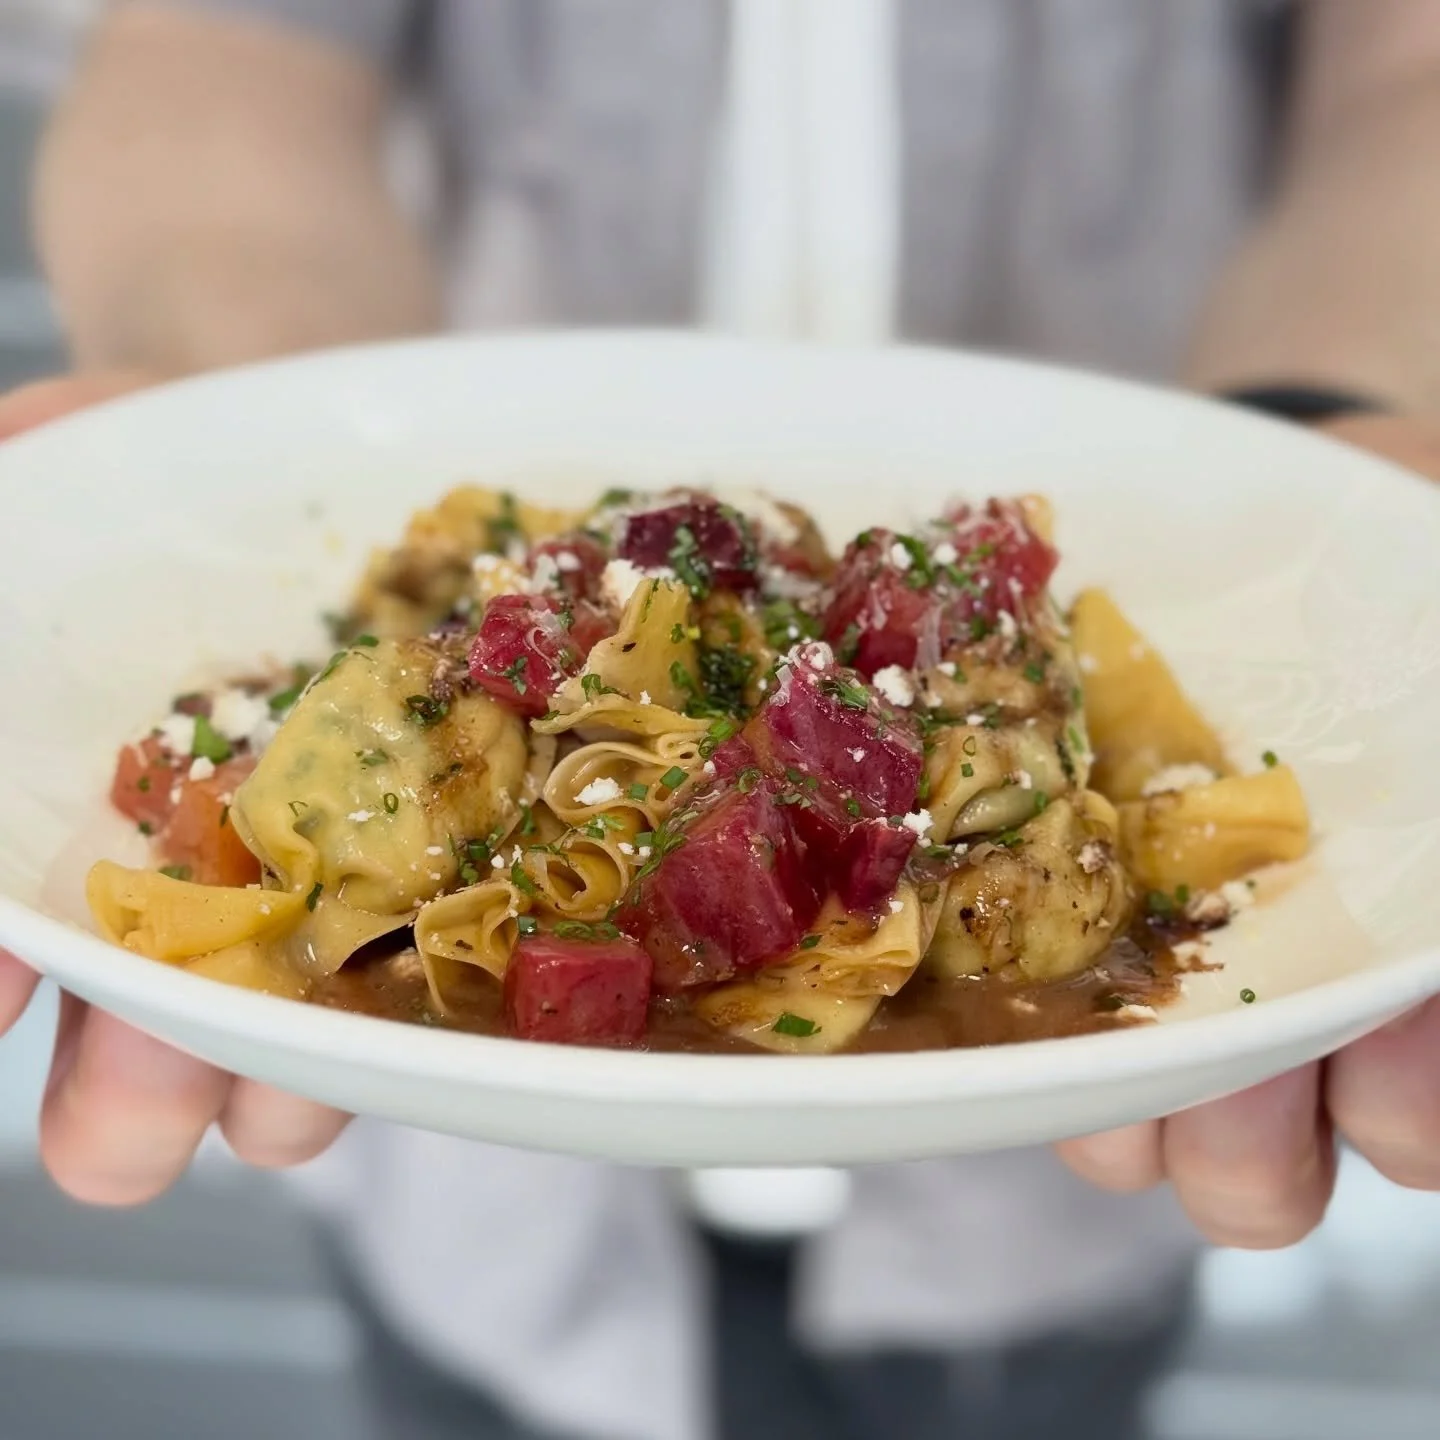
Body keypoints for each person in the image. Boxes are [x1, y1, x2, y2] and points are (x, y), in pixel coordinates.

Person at [3, 2, 1440, 1437]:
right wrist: (229, 431)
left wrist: (1327, 454)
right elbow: (219, 47)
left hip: (1054, 1218)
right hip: (467, 1204)